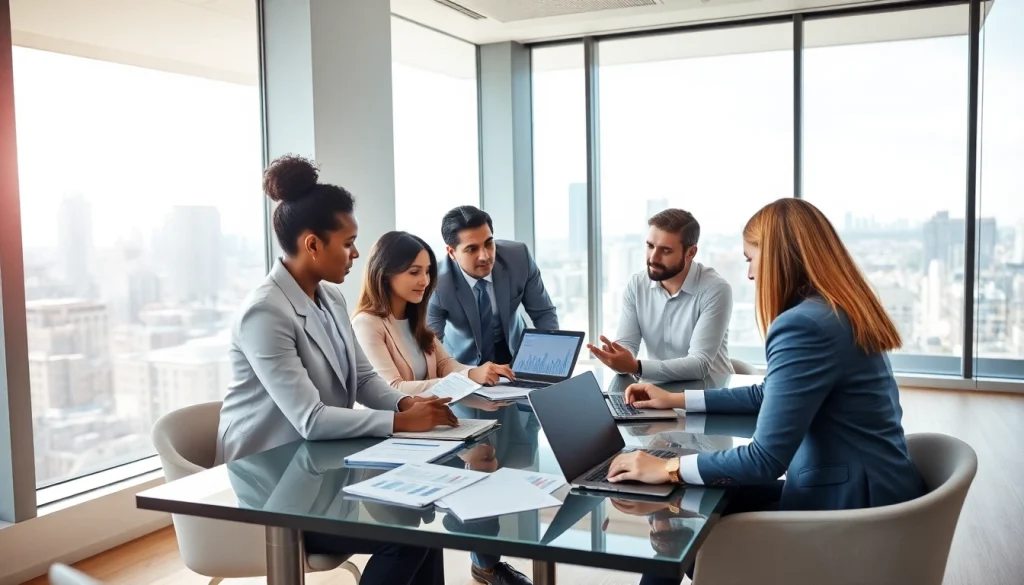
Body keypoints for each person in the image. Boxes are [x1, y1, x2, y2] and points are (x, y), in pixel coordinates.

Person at [606, 198, 927, 585]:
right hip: (869, 487)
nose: (751, 275)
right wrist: (675, 400)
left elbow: (765, 460)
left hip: (849, 511)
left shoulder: (804, 326)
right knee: (682, 509)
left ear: (778, 259)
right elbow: (767, 393)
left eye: (751, 259)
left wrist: (667, 466)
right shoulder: (836, 309)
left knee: (681, 526)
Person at [215, 155, 452, 585]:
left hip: (321, 470)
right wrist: (401, 421)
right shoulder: (265, 313)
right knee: (405, 537)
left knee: (422, 515)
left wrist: (407, 401)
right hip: (275, 487)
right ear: (311, 245)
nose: (356, 253)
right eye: (348, 242)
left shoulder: (331, 298)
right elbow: (310, 418)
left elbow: (362, 379)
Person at [352, 231, 515, 397]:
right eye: (414, 272)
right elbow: (392, 388)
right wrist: (470, 378)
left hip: (429, 417)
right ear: (385, 274)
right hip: (394, 421)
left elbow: (445, 364)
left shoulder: (413, 317)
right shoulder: (367, 323)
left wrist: (480, 372)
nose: (425, 281)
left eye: (427, 271)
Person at [588, 209, 733, 382]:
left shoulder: (715, 289)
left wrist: (635, 366)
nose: (653, 258)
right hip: (658, 390)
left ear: (690, 253)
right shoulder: (637, 285)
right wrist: (618, 358)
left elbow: (699, 364)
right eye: (650, 246)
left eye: (665, 250)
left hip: (711, 393)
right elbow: (627, 347)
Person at [427, 205, 559, 367]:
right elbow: (431, 344)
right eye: (472, 249)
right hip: (464, 364)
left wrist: (551, 364)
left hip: (515, 355)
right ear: (452, 253)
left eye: (489, 243)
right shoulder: (437, 282)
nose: (485, 256)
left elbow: (544, 314)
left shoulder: (519, 258)